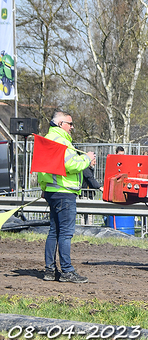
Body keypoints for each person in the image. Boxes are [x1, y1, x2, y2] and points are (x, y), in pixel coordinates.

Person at [38, 111, 95, 283]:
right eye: (70, 124)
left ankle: (49, 270)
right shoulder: (62, 141)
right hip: (64, 192)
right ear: (61, 123)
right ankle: (67, 271)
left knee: (53, 232)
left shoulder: (47, 139)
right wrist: (86, 159)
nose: (72, 127)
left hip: (51, 191)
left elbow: (42, 169)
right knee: (65, 233)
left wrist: (44, 189)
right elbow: (70, 165)